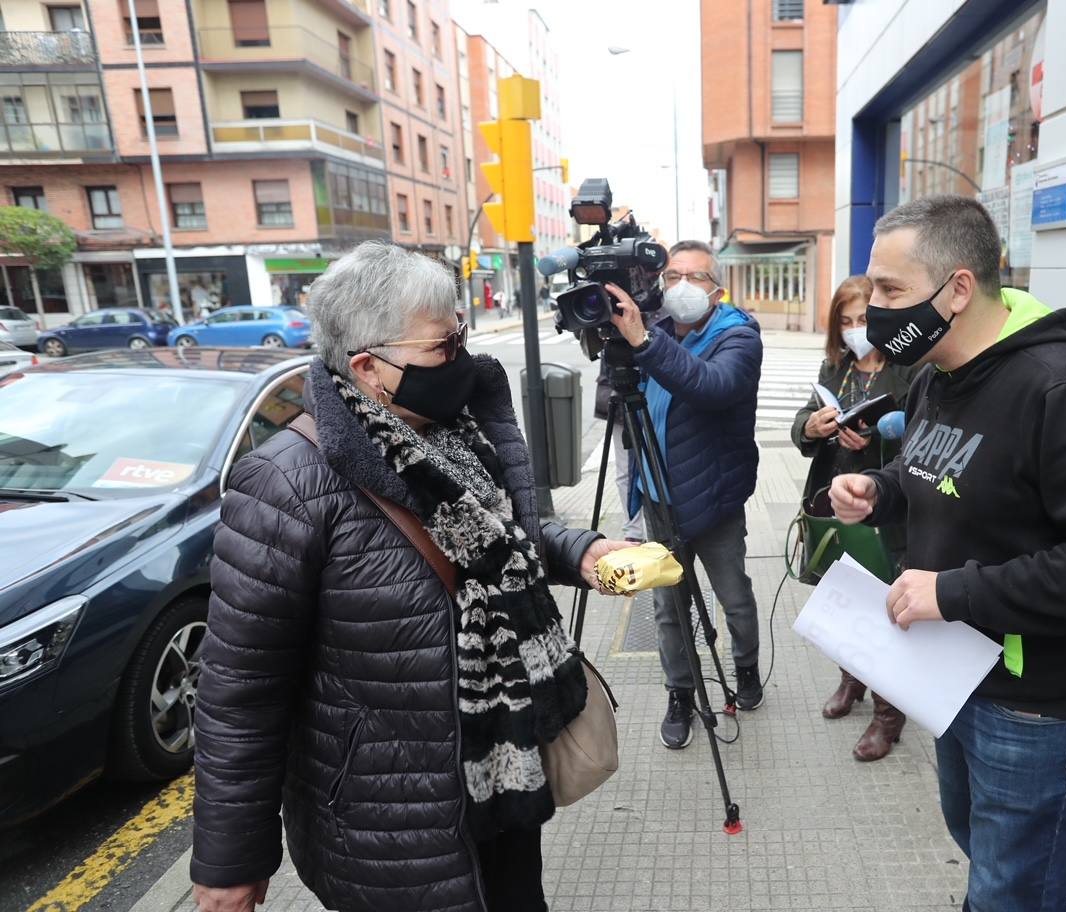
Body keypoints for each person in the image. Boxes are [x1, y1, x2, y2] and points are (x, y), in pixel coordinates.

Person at [189, 241, 633, 912]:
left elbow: (491, 538)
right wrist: (231, 861)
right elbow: (240, 691)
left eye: (460, 336)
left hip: (504, 775)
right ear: (368, 367)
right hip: (387, 828)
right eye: (441, 346)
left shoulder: (456, 435)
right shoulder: (286, 484)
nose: (461, 359)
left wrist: (577, 552)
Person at [829, 195, 1066, 911]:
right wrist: (879, 491)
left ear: (957, 289)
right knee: (986, 859)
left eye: (890, 290)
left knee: (1013, 892)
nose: (874, 310)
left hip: (1040, 704)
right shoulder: (935, 374)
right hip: (956, 673)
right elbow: (938, 473)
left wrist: (953, 593)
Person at [604, 240, 764, 749]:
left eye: (696, 277)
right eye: (673, 276)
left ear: (718, 290)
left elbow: (712, 386)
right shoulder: (653, 329)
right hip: (658, 497)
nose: (682, 286)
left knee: (733, 597)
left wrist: (644, 343)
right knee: (668, 608)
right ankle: (679, 693)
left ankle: (746, 667)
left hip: (714, 497)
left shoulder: (738, 337)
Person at [790, 274, 916, 761]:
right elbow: (802, 426)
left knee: (885, 609)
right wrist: (813, 426)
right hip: (834, 502)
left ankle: (888, 713)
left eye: (863, 318)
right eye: (845, 321)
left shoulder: (909, 368)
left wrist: (878, 437)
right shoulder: (834, 367)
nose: (854, 329)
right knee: (841, 599)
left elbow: (923, 435)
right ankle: (851, 681)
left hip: (888, 510)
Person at [594, 357, 646, 542]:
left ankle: (657, 526)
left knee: (653, 466)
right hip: (616, 395)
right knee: (625, 472)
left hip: (650, 390)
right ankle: (634, 532)